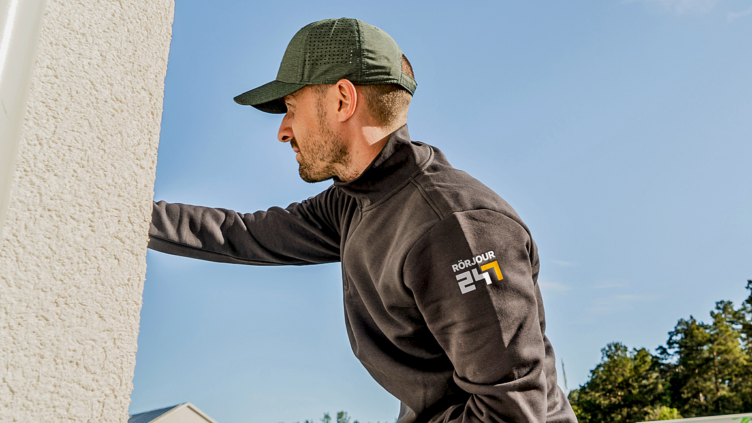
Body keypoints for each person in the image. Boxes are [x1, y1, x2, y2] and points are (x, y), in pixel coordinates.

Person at [149, 17, 577, 423]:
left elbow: (510, 412)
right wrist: (125, 212)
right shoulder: (353, 203)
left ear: (342, 100)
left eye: (291, 107)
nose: (283, 130)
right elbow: (241, 234)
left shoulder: (457, 229)